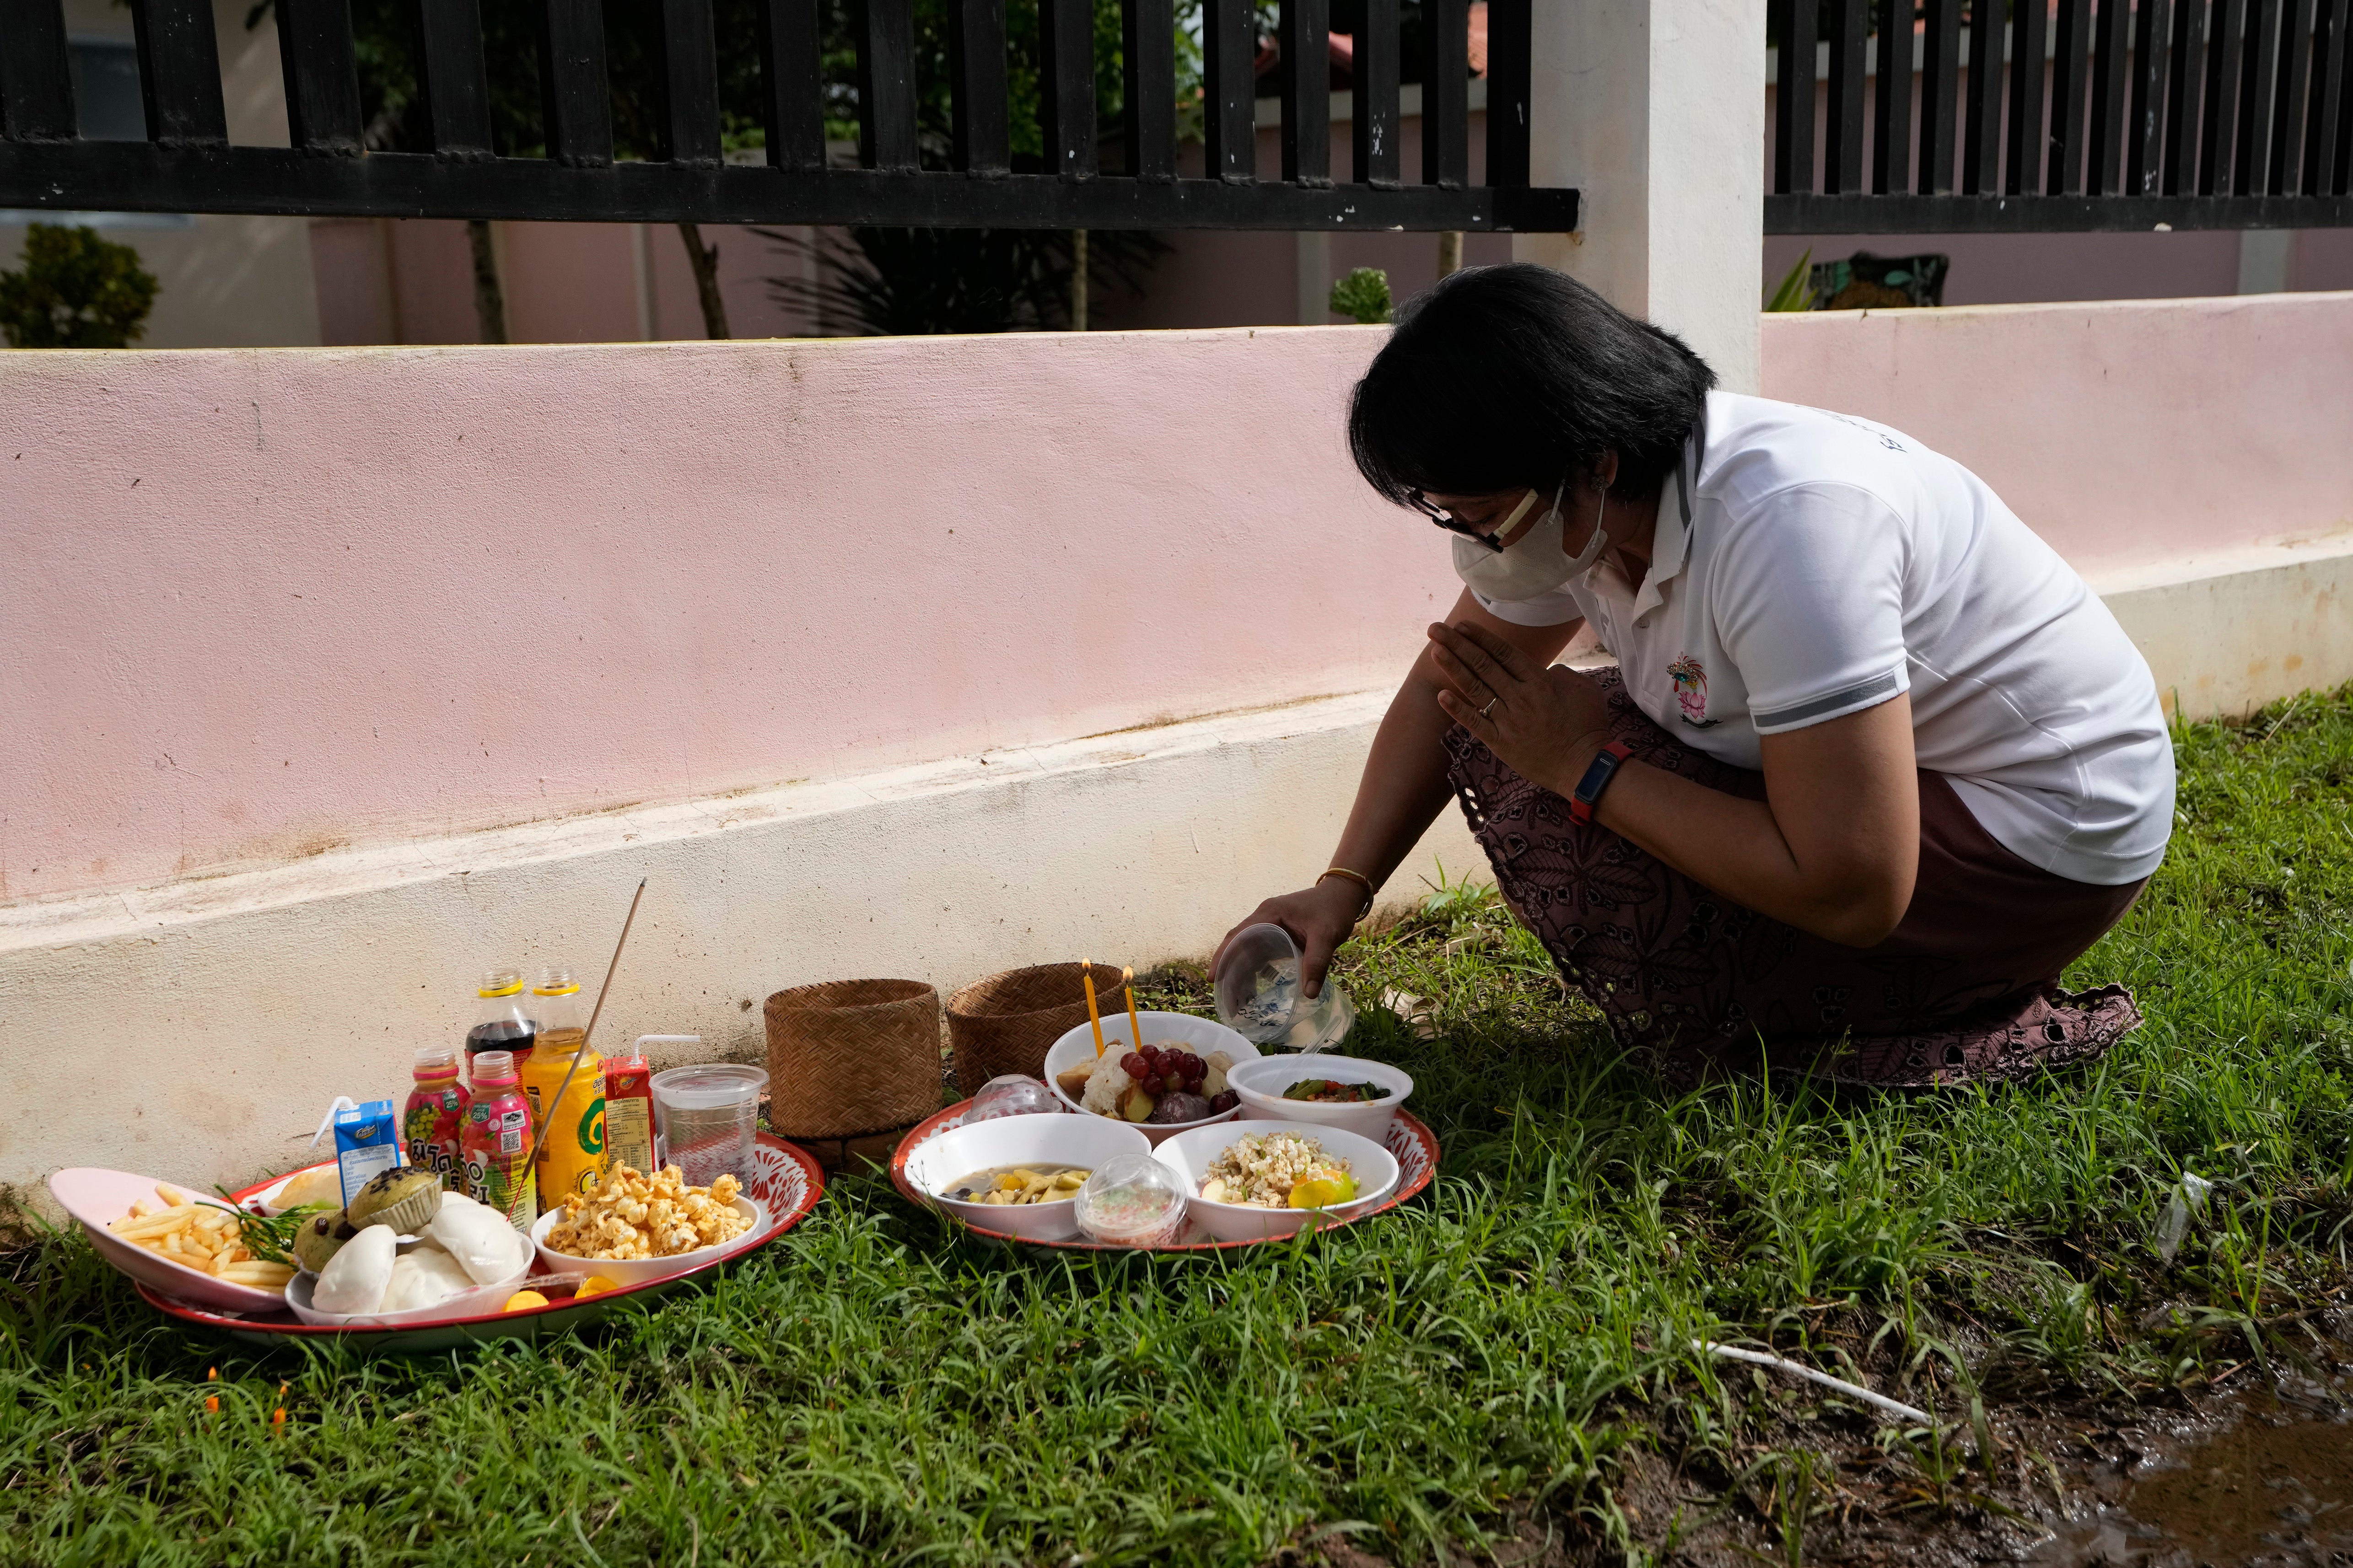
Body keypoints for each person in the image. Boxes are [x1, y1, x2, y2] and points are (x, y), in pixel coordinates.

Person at [1219, 264, 2172, 1087]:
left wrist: (1588, 768)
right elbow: (1454, 688)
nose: (1471, 545)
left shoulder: (1789, 527)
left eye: (1481, 514)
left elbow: (1858, 886)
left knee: (1564, 774)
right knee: (1513, 720)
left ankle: (1875, 1004)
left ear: (1589, 462)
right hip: (1915, 797)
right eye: (1449, 517)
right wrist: (1341, 887)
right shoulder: (1595, 508)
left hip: (2038, 841)